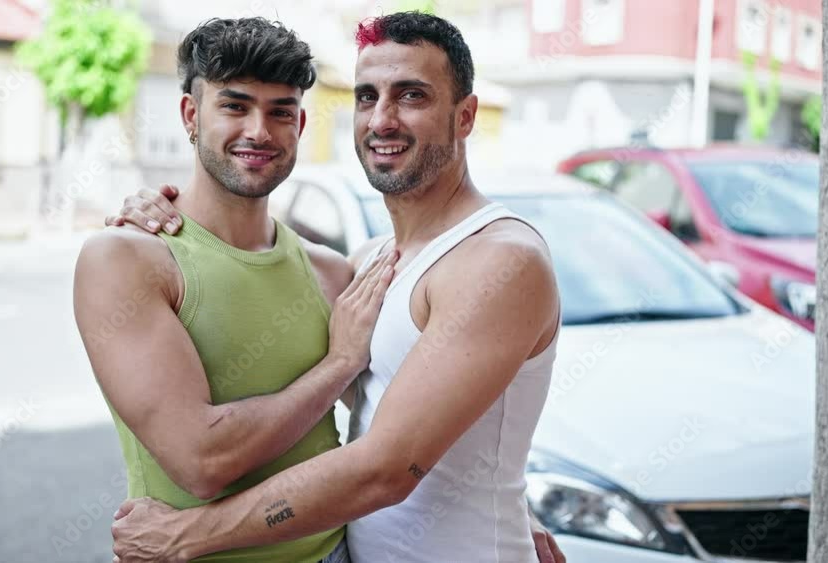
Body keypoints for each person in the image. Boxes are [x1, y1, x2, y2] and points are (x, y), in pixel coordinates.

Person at [108, 12, 565, 563]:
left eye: (412, 96)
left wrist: (186, 535)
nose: (383, 119)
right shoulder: (368, 263)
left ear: (464, 116)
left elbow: (388, 469)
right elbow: (393, 409)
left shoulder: (500, 259)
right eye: (367, 97)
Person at [74, 17, 395, 563]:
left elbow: (402, 422)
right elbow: (202, 461)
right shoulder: (127, 259)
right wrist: (338, 363)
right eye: (234, 105)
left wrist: (506, 512)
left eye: (280, 112)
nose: (259, 131)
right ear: (190, 115)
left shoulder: (329, 272)